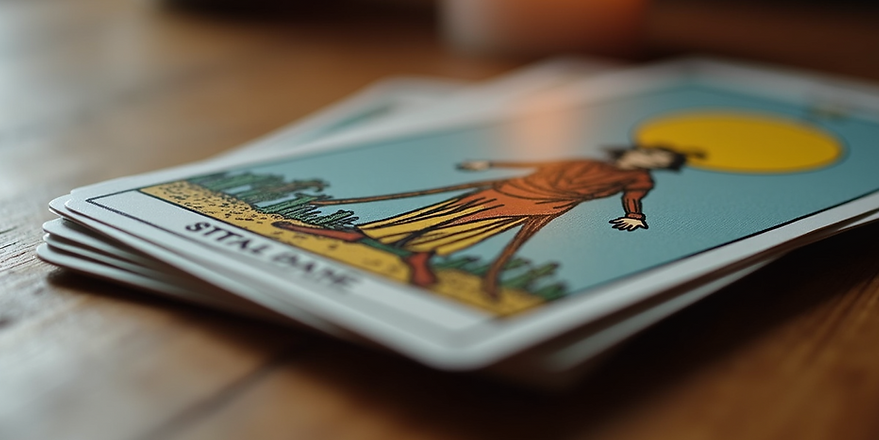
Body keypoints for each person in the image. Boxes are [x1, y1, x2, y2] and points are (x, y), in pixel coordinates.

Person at [275, 146, 688, 297]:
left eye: (659, 162)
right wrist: (488, 162)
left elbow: (632, 197)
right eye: (651, 154)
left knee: (473, 228)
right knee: (440, 212)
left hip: (544, 204)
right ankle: (353, 234)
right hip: (510, 185)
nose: (650, 161)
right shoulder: (588, 159)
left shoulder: (638, 178)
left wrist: (635, 218)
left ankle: (423, 257)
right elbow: (534, 162)